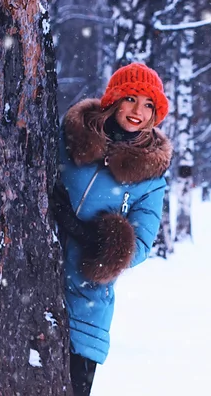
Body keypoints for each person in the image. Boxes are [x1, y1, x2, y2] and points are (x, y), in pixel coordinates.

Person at [51, 62, 172, 396]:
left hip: (86, 305)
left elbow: (140, 248)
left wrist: (86, 232)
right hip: (29, 281)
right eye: (131, 98)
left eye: (149, 105)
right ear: (114, 100)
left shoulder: (150, 177)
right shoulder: (71, 139)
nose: (138, 111)